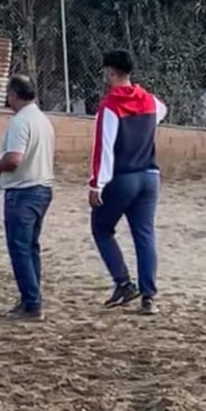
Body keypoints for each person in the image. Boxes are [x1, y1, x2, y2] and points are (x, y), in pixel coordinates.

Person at [89, 49, 167, 315]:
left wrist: (96, 184)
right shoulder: (150, 101)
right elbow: (162, 111)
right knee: (144, 235)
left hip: (124, 177)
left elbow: (104, 148)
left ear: (111, 72)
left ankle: (123, 282)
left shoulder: (109, 106)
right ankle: (149, 297)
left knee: (101, 228)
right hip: (150, 176)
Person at [0, 74, 55, 321]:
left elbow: (14, 159)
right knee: (30, 248)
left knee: (20, 250)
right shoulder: (43, 120)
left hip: (24, 193)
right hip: (41, 190)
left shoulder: (20, 122)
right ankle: (30, 298)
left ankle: (32, 304)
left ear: (14, 95)